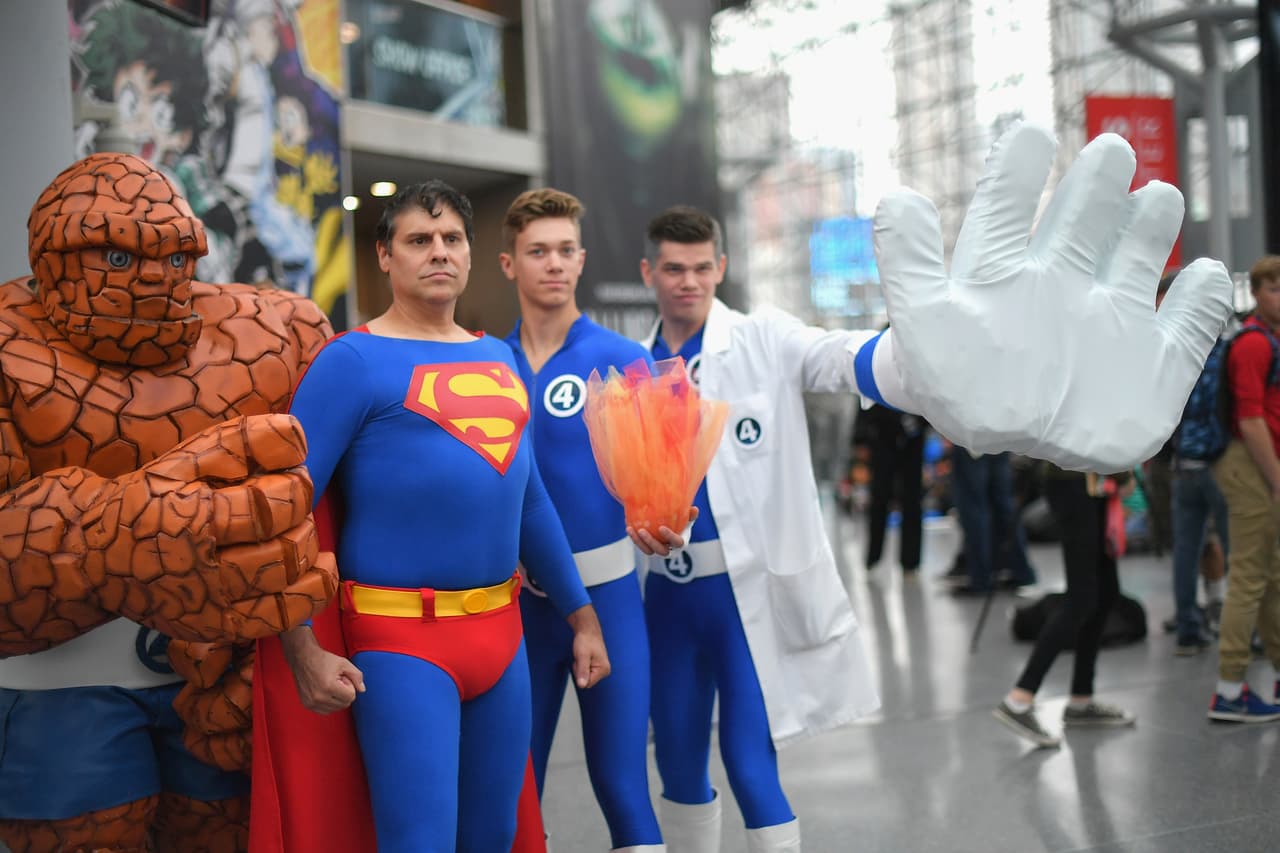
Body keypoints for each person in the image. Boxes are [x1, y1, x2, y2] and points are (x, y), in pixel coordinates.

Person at [627, 123, 1232, 852]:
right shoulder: (629, 369)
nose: (687, 281)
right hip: (663, 597)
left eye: (700, 266)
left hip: (743, 598)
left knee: (753, 764)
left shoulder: (764, 338)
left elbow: (849, 359)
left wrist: (949, 369)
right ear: (647, 272)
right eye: (672, 269)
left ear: (721, 266)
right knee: (678, 766)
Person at [0, 152, 337, 851]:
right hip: (62, 687)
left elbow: (335, 503)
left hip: (218, 678)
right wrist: (105, 540)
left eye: (178, 257)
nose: (156, 277)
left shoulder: (274, 333)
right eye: (117, 257)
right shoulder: (10, 350)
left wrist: (284, 643)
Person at [270, 180, 611, 852]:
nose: (438, 252)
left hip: (499, 637)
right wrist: (301, 647)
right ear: (384, 255)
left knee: (494, 836)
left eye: (452, 238)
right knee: (417, 841)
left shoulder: (500, 357)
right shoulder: (352, 361)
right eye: (418, 239)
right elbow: (285, 512)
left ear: (470, 254)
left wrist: (581, 614)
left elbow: (530, 499)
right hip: (400, 644)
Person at [498, 187, 664, 852]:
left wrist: (668, 523)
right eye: (538, 251)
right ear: (509, 263)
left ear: (583, 258)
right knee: (514, 789)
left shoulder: (625, 359)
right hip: (516, 607)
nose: (554, 264)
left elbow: (669, 490)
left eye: (566, 250)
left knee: (623, 786)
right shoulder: (484, 362)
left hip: (612, 599)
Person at [992, 466, 1138, 747]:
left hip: (1089, 481)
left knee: (1105, 593)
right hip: (1076, 480)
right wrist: (1122, 473)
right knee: (1082, 598)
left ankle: (1081, 700)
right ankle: (1020, 698)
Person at [1208, 255, 1280, 722]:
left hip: (1263, 465)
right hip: (1252, 466)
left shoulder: (1271, 340)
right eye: (1275, 288)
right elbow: (1251, 419)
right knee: (1250, 577)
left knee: (1273, 576)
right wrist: (1276, 480)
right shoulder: (1254, 345)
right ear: (1256, 292)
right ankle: (1229, 691)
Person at [854, 399, 925, 574]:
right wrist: (860, 435)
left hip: (913, 437)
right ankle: (873, 558)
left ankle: (910, 562)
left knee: (912, 500)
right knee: (879, 498)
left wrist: (922, 423)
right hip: (882, 433)